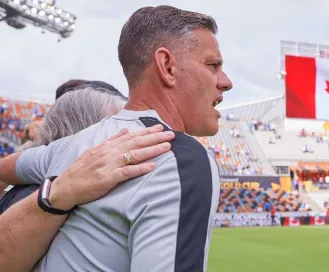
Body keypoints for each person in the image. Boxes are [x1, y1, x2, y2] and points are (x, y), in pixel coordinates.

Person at [2, 5, 232, 272]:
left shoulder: (77, 145)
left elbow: (5, 167)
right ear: (167, 66)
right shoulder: (178, 158)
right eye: (212, 65)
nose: (226, 81)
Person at [0, 87, 175, 271]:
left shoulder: (47, 181)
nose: (124, 145)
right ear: (83, 134)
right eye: (115, 134)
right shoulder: (36, 201)